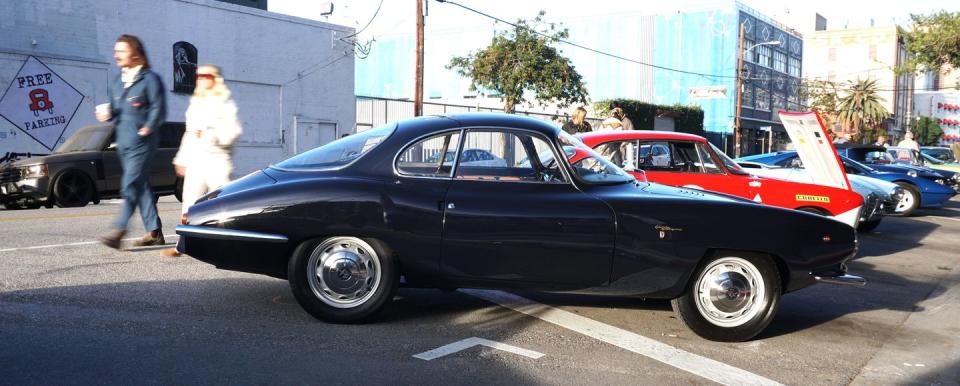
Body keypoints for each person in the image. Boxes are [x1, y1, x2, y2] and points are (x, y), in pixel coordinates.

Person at [163, 65, 243, 257]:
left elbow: (233, 132)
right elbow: (189, 134)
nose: (201, 78)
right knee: (189, 203)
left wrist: (210, 135)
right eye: (198, 75)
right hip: (196, 160)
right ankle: (182, 245)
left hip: (218, 160)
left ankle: (231, 245)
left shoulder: (225, 103)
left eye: (206, 75)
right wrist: (181, 158)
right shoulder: (196, 103)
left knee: (225, 204)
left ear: (215, 79)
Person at [97, 35, 166, 249]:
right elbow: (116, 109)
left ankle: (119, 229)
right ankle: (154, 232)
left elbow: (158, 108)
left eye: (121, 51)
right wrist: (107, 112)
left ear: (135, 53)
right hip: (123, 141)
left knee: (131, 184)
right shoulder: (118, 81)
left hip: (142, 142)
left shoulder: (150, 79)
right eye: (115, 51)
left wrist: (149, 126)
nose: (116, 55)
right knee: (141, 185)